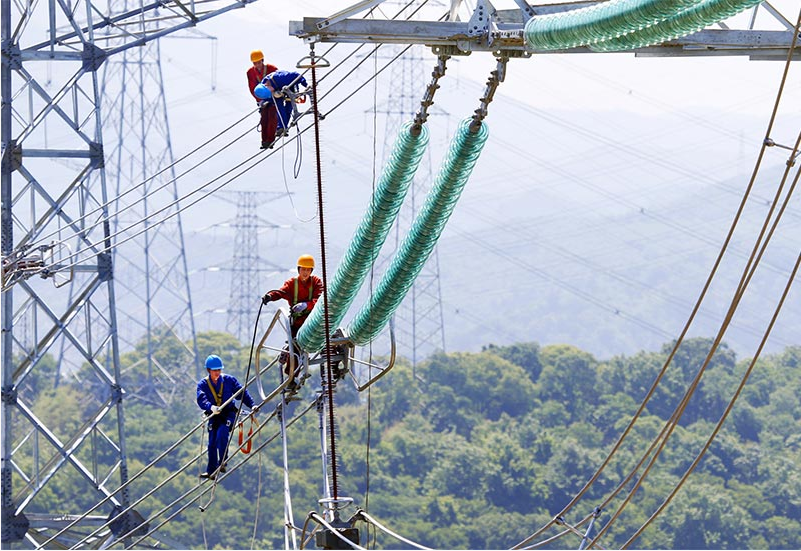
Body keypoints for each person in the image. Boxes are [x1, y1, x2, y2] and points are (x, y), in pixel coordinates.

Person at [196, 354, 257, 479]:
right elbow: (201, 399)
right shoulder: (203, 384)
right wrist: (210, 407)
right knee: (212, 443)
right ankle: (211, 471)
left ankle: (222, 462)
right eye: (215, 370)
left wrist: (252, 405)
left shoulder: (229, 381)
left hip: (228, 413)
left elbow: (242, 393)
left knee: (222, 435)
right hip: (214, 415)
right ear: (209, 370)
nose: (217, 373)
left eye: (219, 370)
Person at [261, 254, 323, 338]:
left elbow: (320, 301)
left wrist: (306, 305)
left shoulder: (316, 282)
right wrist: (270, 296)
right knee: (295, 346)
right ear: (298, 270)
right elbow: (281, 293)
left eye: (308, 270)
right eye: (303, 269)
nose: (305, 272)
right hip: (297, 324)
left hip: (313, 321)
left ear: (311, 271)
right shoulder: (291, 283)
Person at [260, 70, 309, 139]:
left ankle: (283, 126)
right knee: (279, 108)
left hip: (290, 87)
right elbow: (267, 96)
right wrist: (263, 103)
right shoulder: (264, 89)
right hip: (277, 90)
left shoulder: (280, 77)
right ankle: (281, 127)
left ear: (266, 85)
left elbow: (296, 75)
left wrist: (305, 84)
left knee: (289, 107)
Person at [246, 50, 278, 149]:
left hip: (273, 98)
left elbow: (278, 81)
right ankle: (264, 142)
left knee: (272, 117)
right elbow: (252, 88)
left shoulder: (272, 69)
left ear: (262, 61)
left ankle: (270, 140)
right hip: (261, 100)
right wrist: (260, 99)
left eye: (259, 62)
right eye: (255, 63)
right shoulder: (250, 72)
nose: (257, 65)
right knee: (264, 119)